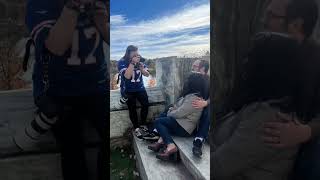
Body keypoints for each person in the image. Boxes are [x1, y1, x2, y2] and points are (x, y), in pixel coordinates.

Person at [212, 0, 320, 179]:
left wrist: (305, 132)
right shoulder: (264, 48)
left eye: (271, 16)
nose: (263, 20)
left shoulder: (315, 62)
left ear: (296, 24)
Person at [17, 0, 109, 180]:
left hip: (97, 85)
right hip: (59, 90)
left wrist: (102, 22)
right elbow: (55, 47)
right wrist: (72, 9)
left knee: (110, 133)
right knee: (72, 147)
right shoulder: (40, 5)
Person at [148, 73, 208, 161]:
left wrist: (170, 112)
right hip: (180, 123)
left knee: (159, 122)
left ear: (193, 84)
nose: (186, 82)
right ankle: (161, 142)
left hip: (184, 128)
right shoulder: (189, 96)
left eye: (188, 81)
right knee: (163, 122)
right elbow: (176, 106)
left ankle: (170, 145)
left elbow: (179, 113)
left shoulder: (194, 99)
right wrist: (172, 110)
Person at [118, 45, 150, 137]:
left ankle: (143, 124)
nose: (137, 55)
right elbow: (127, 76)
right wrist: (132, 63)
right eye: (134, 54)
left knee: (145, 105)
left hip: (140, 88)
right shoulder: (122, 62)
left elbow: (147, 75)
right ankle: (136, 127)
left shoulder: (141, 60)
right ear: (129, 53)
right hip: (128, 90)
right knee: (132, 109)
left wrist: (141, 68)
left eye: (137, 53)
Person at [191, 60, 211, 157]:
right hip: (191, 104)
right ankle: (155, 131)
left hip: (205, 106)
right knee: (171, 106)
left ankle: (198, 141)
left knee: (209, 110)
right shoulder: (192, 78)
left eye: (195, 66)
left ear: (202, 68)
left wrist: (205, 102)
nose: (192, 68)